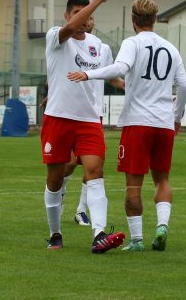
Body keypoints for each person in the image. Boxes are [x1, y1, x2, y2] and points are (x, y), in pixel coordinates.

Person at [68, 0, 186, 252]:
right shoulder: (171, 48)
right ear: (154, 20)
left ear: (133, 19)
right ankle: (162, 226)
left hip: (138, 123)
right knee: (162, 180)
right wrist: (176, 117)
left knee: (134, 184)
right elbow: (184, 86)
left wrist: (88, 73)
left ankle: (136, 240)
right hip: (164, 123)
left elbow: (119, 68)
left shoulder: (132, 43)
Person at [41, 0, 125, 253]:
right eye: (76, 13)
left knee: (95, 172)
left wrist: (135, 88)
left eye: (85, 13)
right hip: (58, 118)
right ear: (67, 16)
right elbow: (69, 30)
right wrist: (98, 0)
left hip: (89, 120)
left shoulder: (99, 46)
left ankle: (98, 233)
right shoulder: (56, 35)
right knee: (55, 179)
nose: (82, 18)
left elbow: (111, 75)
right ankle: (55, 234)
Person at [59, 16, 125, 227]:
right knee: (69, 163)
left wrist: (130, 87)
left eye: (91, 17)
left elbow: (111, 77)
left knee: (95, 166)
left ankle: (81, 210)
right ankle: (60, 190)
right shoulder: (67, 44)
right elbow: (61, 75)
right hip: (70, 113)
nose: (88, 21)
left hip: (93, 115)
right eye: (83, 16)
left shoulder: (102, 48)